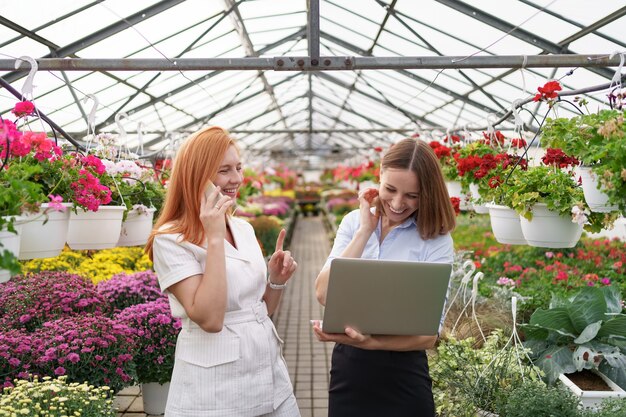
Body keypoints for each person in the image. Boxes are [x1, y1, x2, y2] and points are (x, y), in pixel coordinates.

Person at [146, 126, 300, 417]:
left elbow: (260, 309)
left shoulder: (242, 227)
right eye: (224, 170)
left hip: (268, 374)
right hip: (214, 389)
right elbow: (210, 319)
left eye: (239, 168)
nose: (237, 179)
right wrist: (214, 236)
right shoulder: (170, 239)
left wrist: (276, 282)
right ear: (197, 177)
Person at [313, 138, 456, 417]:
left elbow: (428, 335)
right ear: (379, 176)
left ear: (427, 193)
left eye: (412, 195)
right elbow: (323, 293)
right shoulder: (354, 222)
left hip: (404, 372)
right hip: (350, 368)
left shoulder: (435, 239)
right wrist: (365, 231)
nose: (398, 203)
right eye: (390, 189)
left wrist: (371, 343)